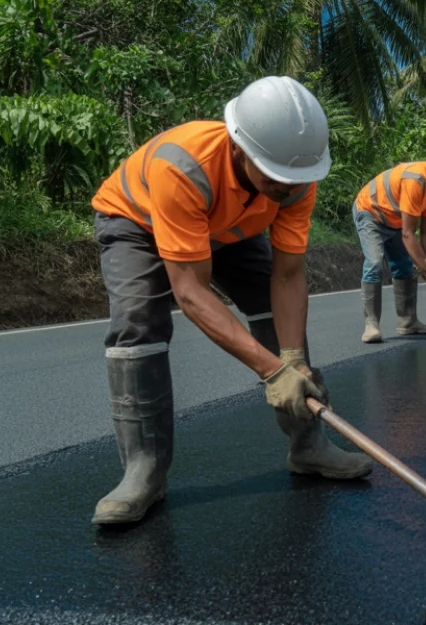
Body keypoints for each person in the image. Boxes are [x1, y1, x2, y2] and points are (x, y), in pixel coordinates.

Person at [88, 77, 371, 526]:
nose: (285, 188)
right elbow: (192, 292)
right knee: (138, 322)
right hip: (136, 220)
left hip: (227, 224)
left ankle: (309, 446)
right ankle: (144, 470)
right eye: (273, 178)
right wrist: (271, 370)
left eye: (292, 181)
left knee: (270, 309)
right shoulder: (182, 166)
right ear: (240, 148)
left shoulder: (294, 177)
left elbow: (289, 273)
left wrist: (293, 360)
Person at [354, 147, 426, 344]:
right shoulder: (415, 181)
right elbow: (409, 235)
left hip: (394, 219)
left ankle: (408, 322)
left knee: (404, 268)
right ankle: (371, 325)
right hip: (370, 213)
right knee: (374, 262)